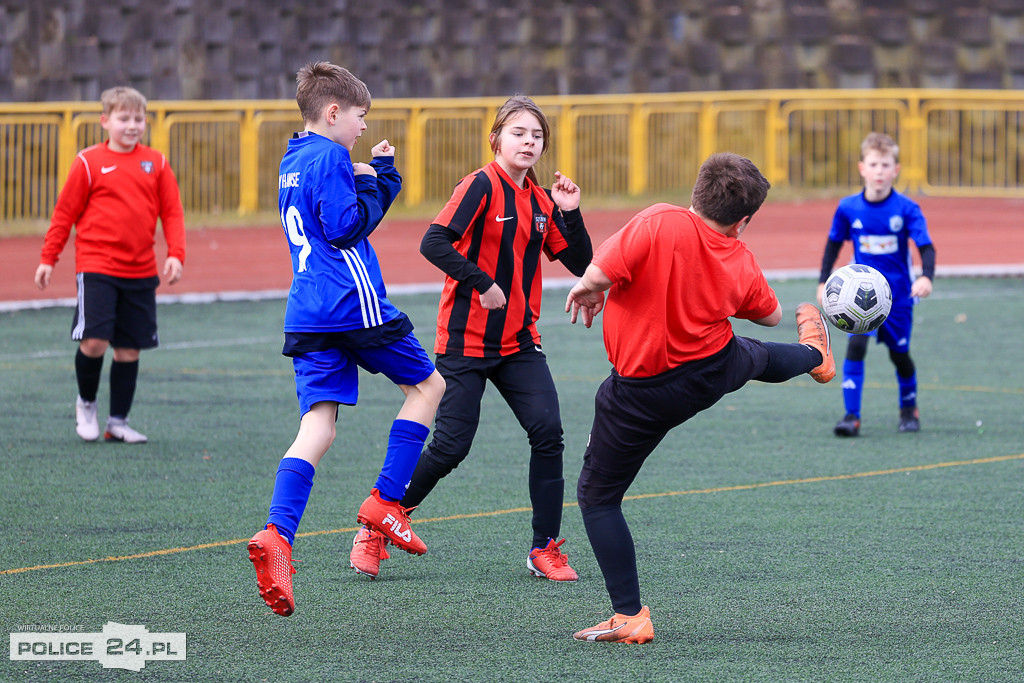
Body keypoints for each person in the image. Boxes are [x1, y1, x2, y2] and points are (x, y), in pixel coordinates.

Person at [564, 152, 835, 643]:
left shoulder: (659, 220)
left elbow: (598, 272)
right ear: (744, 220)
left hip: (640, 393)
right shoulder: (742, 259)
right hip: (709, 371)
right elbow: (770, 316)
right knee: (754, 355)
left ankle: (630, 616)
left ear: (697, 190)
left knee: (598, 498)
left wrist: (589, 288)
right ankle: (816, 356)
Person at [348, 95, 593, 582]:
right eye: (519, 133)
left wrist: (572, 211)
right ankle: (377, 523)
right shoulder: (479, 185)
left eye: (537, 136)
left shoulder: (543, 200)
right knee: (450, 448)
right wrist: (484, 283)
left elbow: (582, 263)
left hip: (520, 343)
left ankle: (544, 548)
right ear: (496, 139)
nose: (529, 142)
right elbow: (433, 241)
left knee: (548, 433)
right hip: (465, 342)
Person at [246, 62, 446, 617]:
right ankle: (385, 501)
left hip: (306, 309)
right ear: (333, 113)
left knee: (318, 425)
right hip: (348, 302)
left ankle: (278, 536)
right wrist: (380, 178)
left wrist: (357, 176)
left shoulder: (292, 157)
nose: (362, 128)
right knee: (429, 387)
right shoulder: (333, 156)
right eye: (359, 117)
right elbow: (345, 227)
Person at [34, 86, 186, 445]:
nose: (132, 125)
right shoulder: (87, 162)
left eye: (138, 118)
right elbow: (64, 215)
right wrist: (47, 259)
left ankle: (118, 422)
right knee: (94, 341)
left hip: (141, 270)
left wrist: (176, 253)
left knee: (129, 348)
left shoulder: (157, 162)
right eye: (123, 118)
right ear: (105, 121)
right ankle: (86, 403)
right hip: (97, 266)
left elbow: (172, 212)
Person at [817, 132, 936, 437]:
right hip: (860, 298)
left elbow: (926, 247)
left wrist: (926, 277)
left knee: (899, 354)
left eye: (885, 164)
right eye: (874, 164)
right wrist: (823, 282)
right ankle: (851, 416)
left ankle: (909, 409)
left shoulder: (906, 209)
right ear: (862, 168)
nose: (879, 171)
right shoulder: (848, 208)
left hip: (897, 298)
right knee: (856, 346)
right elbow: (833, 244)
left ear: (895, 170)